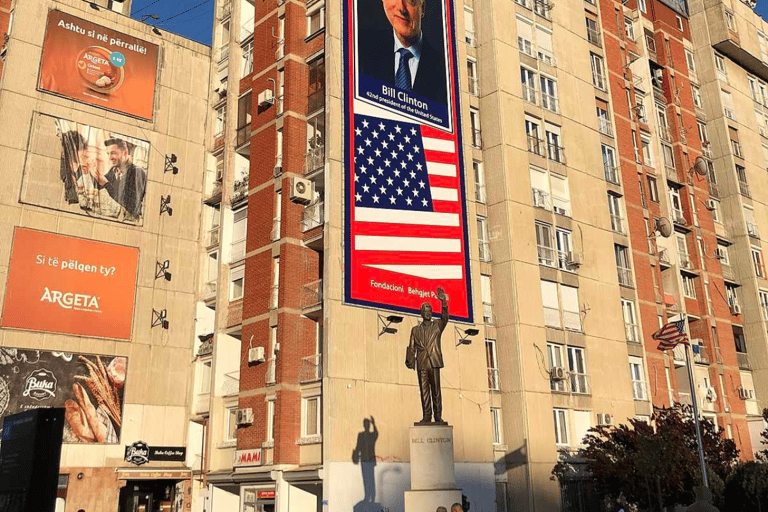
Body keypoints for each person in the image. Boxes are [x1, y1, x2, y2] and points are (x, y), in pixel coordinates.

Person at [358, 0, 448, 105]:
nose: (402, 8)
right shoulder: (362, 47)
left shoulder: (444, 69)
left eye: (410, 1)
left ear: (422, 7)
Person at [406, 287, 449, 424]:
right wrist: (409, 360)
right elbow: (411, 347)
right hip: (422, 363)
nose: (428, 313)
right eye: (425, 311)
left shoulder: (437, 325)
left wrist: (444, 303)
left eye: (430, 311)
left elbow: (445, 317)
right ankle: (426, 416)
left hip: (434, 362)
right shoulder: (415, 330)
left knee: (436, 391)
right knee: (424, 392)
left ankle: (438, 416)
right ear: (421, 313)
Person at [95, 138, 147, 219]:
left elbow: (133, 206)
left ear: (125, 152)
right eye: (108, 154)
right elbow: (99, 184)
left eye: (113, 153)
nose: (110, 157)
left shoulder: (137, 172)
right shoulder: (113, 170)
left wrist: (106, 184)